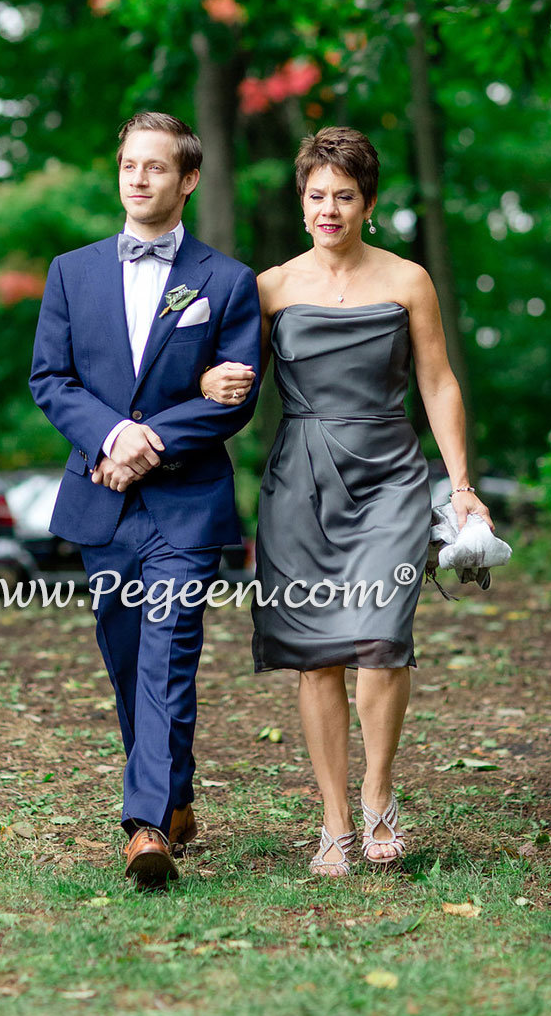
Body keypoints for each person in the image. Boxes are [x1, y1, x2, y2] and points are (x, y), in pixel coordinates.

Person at [200, 126, 493, 875]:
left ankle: (378, 797)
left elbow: (438, 382)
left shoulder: (408, 280)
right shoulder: (268, 287)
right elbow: (230, 381)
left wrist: (459, 487)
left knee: (381, 640)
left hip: (391, 477)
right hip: (299, 480)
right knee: (316, 657)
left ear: (369, 203)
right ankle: (332, 821)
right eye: (316, 196)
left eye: (344, 197)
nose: (328, 209)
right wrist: (207, 385)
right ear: (301, 203)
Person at [29, 112, 262, 887]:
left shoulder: (226, 281)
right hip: (102, 501)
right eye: (130, 164)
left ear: (187, 179)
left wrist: (150, 440)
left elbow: (234, 396)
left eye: (156, 167)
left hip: (187, 506)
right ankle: (178, 794)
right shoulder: (71, 271)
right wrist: (112, 438)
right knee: (126, 657)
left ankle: (147, 827)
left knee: (168, 654)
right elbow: (50, 380)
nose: (138, 178)